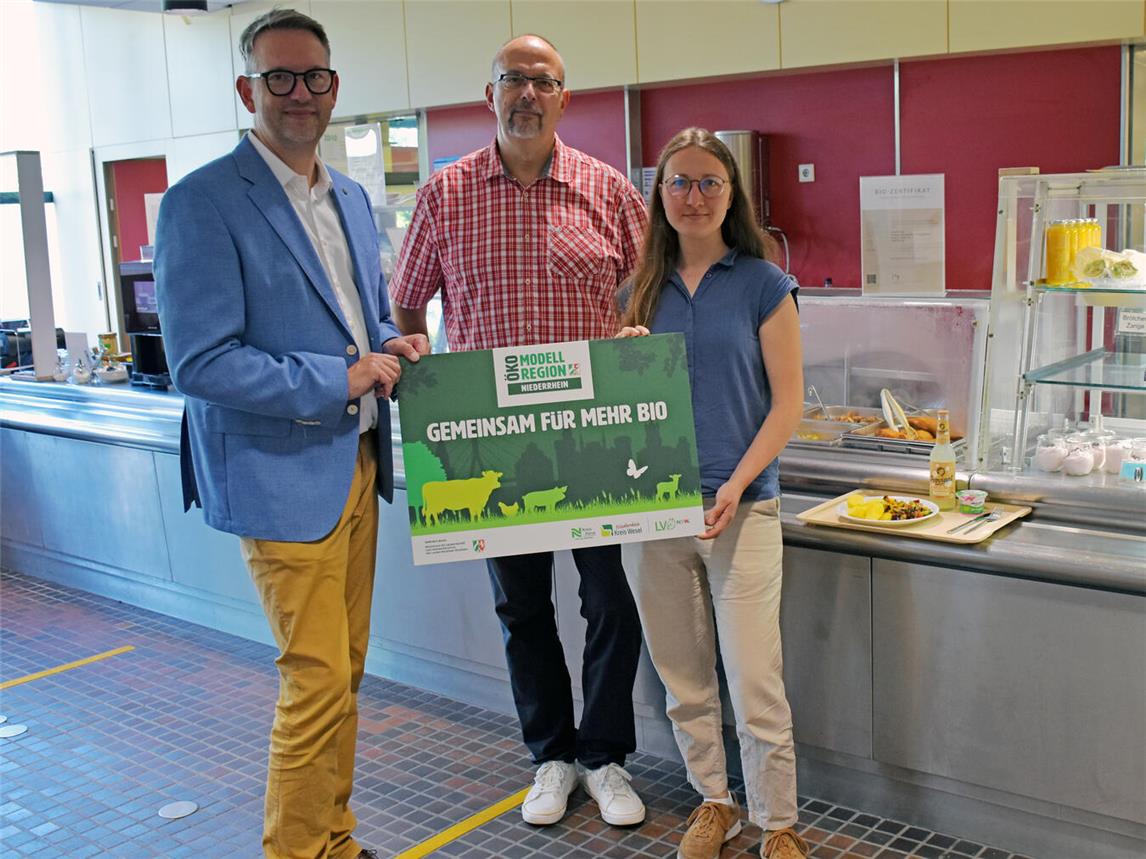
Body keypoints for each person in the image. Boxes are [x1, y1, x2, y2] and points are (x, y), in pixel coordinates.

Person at [154, 10, 428, 859]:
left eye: (314, 77)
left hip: (359, 460)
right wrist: (337, 379)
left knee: (343, 672)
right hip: (278, 472)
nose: (299, 94)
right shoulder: (202, 203)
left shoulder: (346, 194)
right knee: (314, 680)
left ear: (334, 86)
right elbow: (199, 362)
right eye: (280, 78)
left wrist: (389, 342)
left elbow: (362, 315)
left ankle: (335, 840)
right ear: (248, 90)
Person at [389, 34, 649, 828]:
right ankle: (552, 756)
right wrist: (427, 366)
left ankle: (605, 756)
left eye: (544, 82)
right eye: (514, 80)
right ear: (490, 93)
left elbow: (648, 297)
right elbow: (407, 304)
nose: (527, 94)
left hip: (595, 438)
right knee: (522, 607)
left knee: (609, 600)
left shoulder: (609, 193)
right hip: (492, 443)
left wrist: (635, 341)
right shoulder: (446, 193)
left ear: (565, 97)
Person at [616, 128, 808, 859]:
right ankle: (715, 802)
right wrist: (622, 365)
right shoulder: (636, 294)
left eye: (708, 182)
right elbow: (622, 415)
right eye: (678, 182)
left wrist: (731, 486)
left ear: (733, 195)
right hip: (655, 511)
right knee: (683, 674)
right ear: (658, 195)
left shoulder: (764, 284)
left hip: (745, 505)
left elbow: (786, 405)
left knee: (756, 676)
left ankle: (778, 821)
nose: (693, 196)